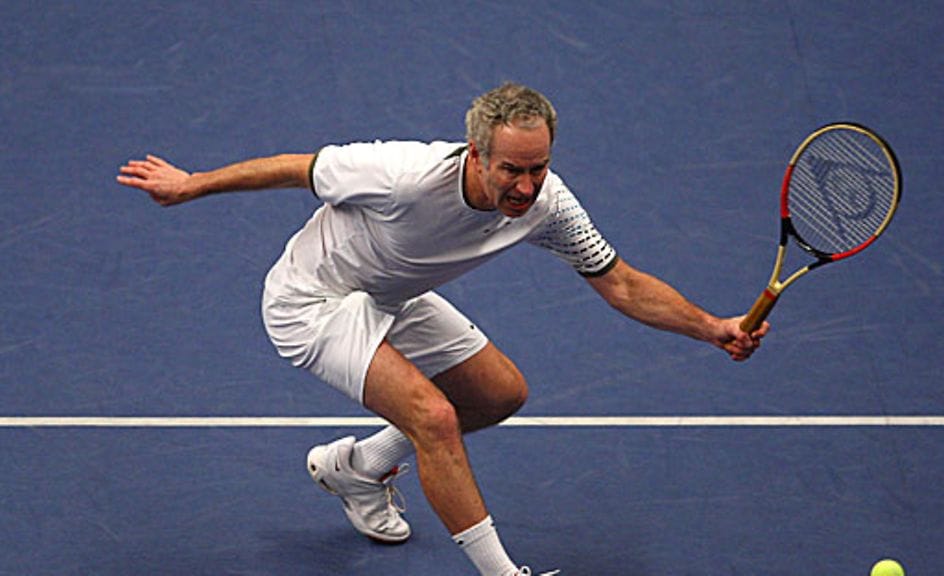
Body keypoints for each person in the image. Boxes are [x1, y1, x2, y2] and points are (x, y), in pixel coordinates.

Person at [117, 82, 768, 576]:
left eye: (537, 167)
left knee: (499, 395)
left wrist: (712, 327)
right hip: (311, 302)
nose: (525, 184)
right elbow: (298, 166)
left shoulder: (550, 206)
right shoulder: (402, 175)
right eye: (511, 168)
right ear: (477, 153)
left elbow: (621, 282)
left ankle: (360, 467)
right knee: (434, 417)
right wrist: (191, 185)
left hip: (390, 294)